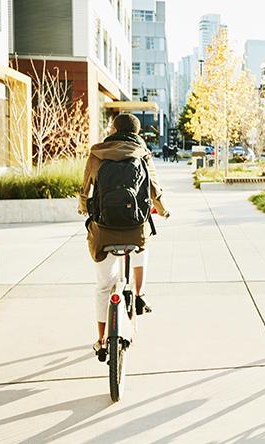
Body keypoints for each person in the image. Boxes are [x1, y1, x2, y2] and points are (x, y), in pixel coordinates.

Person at [79, 113, 169, 360]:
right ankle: (139, 296)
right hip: (134, 229)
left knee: (103, 286)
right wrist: (163, 211)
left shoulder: (98, 153)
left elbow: (85, 188)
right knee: (143, 243)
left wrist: (83, 207)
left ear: (113, 129)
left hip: (104, 231)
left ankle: (100, 339)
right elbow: (154, 189)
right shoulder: (142, 153)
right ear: (137, 133)